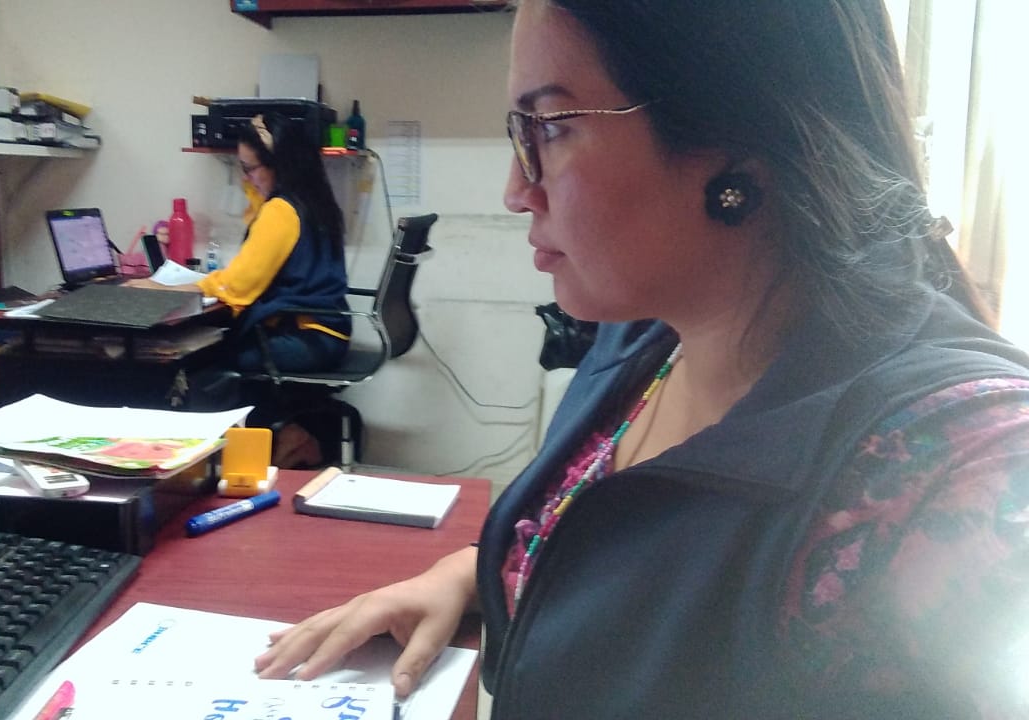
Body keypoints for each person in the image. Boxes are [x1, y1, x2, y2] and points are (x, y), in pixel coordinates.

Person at [252, 0, 1029, 717]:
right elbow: (629, 555)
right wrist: (465, 575)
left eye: (550, 127)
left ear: (738, 144)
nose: (516, 189)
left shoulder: (960, 471)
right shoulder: (648, 341)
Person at [133, 114, 350, 466]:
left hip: (304, 338)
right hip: (326, 333)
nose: (246, 178)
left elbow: (238, 287)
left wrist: (164, 288)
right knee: (223, 347)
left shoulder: (281, 211)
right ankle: (284, 436)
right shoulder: (314, 202)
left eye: (250, 169)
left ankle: (263, 442)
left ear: (279, 165)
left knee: (206, 360)